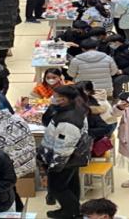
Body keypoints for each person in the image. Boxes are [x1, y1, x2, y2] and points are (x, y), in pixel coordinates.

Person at [38, 85, 90, 219]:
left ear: (64, 99)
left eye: (55, 96)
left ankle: (72, 212)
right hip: (75, 156)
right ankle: (71, 210)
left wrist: (55, 166)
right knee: (71, 183)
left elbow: (64, 147)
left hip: (65, 159)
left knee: (57, 187)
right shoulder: (73, 108)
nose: (52, 98)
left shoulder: (68, 121)